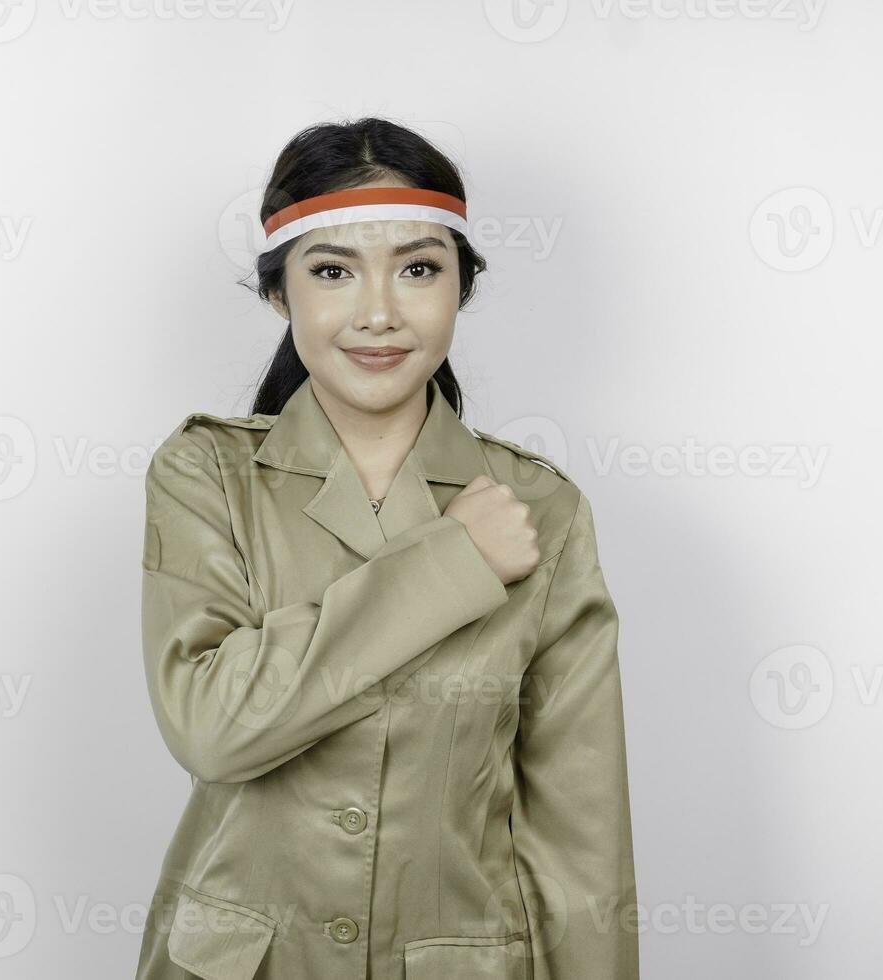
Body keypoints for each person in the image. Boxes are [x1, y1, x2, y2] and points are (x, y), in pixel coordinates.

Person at [134, 116, 638, 980]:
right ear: (279, 295)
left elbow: (580, 842)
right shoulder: (207, 475)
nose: (378, 313)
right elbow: (212, 727)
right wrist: (455, 563)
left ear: (460, 288)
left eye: (418, 269)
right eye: (332, 271)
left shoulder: (541, 510)